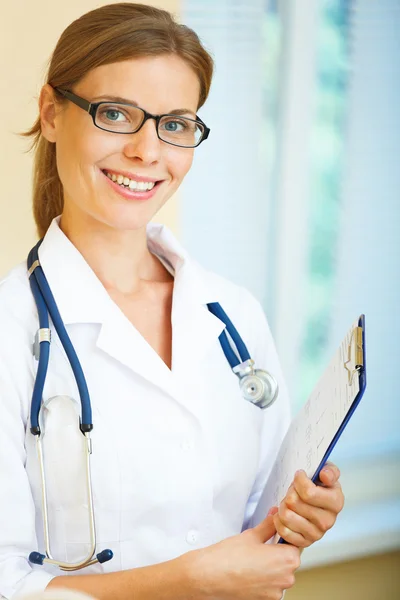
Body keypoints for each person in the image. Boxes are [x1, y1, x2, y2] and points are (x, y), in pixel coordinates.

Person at [0, 3, 344, 599]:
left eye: (175, 124)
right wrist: (188, 582)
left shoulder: (233, 315)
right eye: (115, 114)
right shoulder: (11, 331)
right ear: (52, 113)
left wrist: (295, 519)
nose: (146, 151)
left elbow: (258, 525)